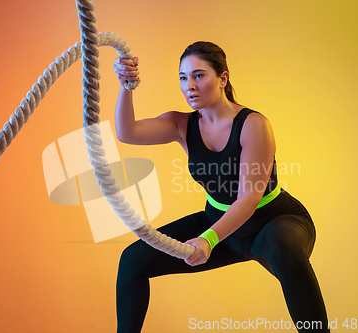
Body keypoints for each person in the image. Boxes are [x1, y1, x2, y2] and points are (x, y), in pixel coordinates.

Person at [112, 41, 330, 333]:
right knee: (132, 260)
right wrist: (127, 86)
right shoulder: (181, 125)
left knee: (285, 246)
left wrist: (208, 240)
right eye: (182, 77)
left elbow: (250, 197)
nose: (189, 85)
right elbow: (127, 133)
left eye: (199, 75)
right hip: (218, 222)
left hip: (271, 222)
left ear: (223, 78)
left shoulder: (254, 124)